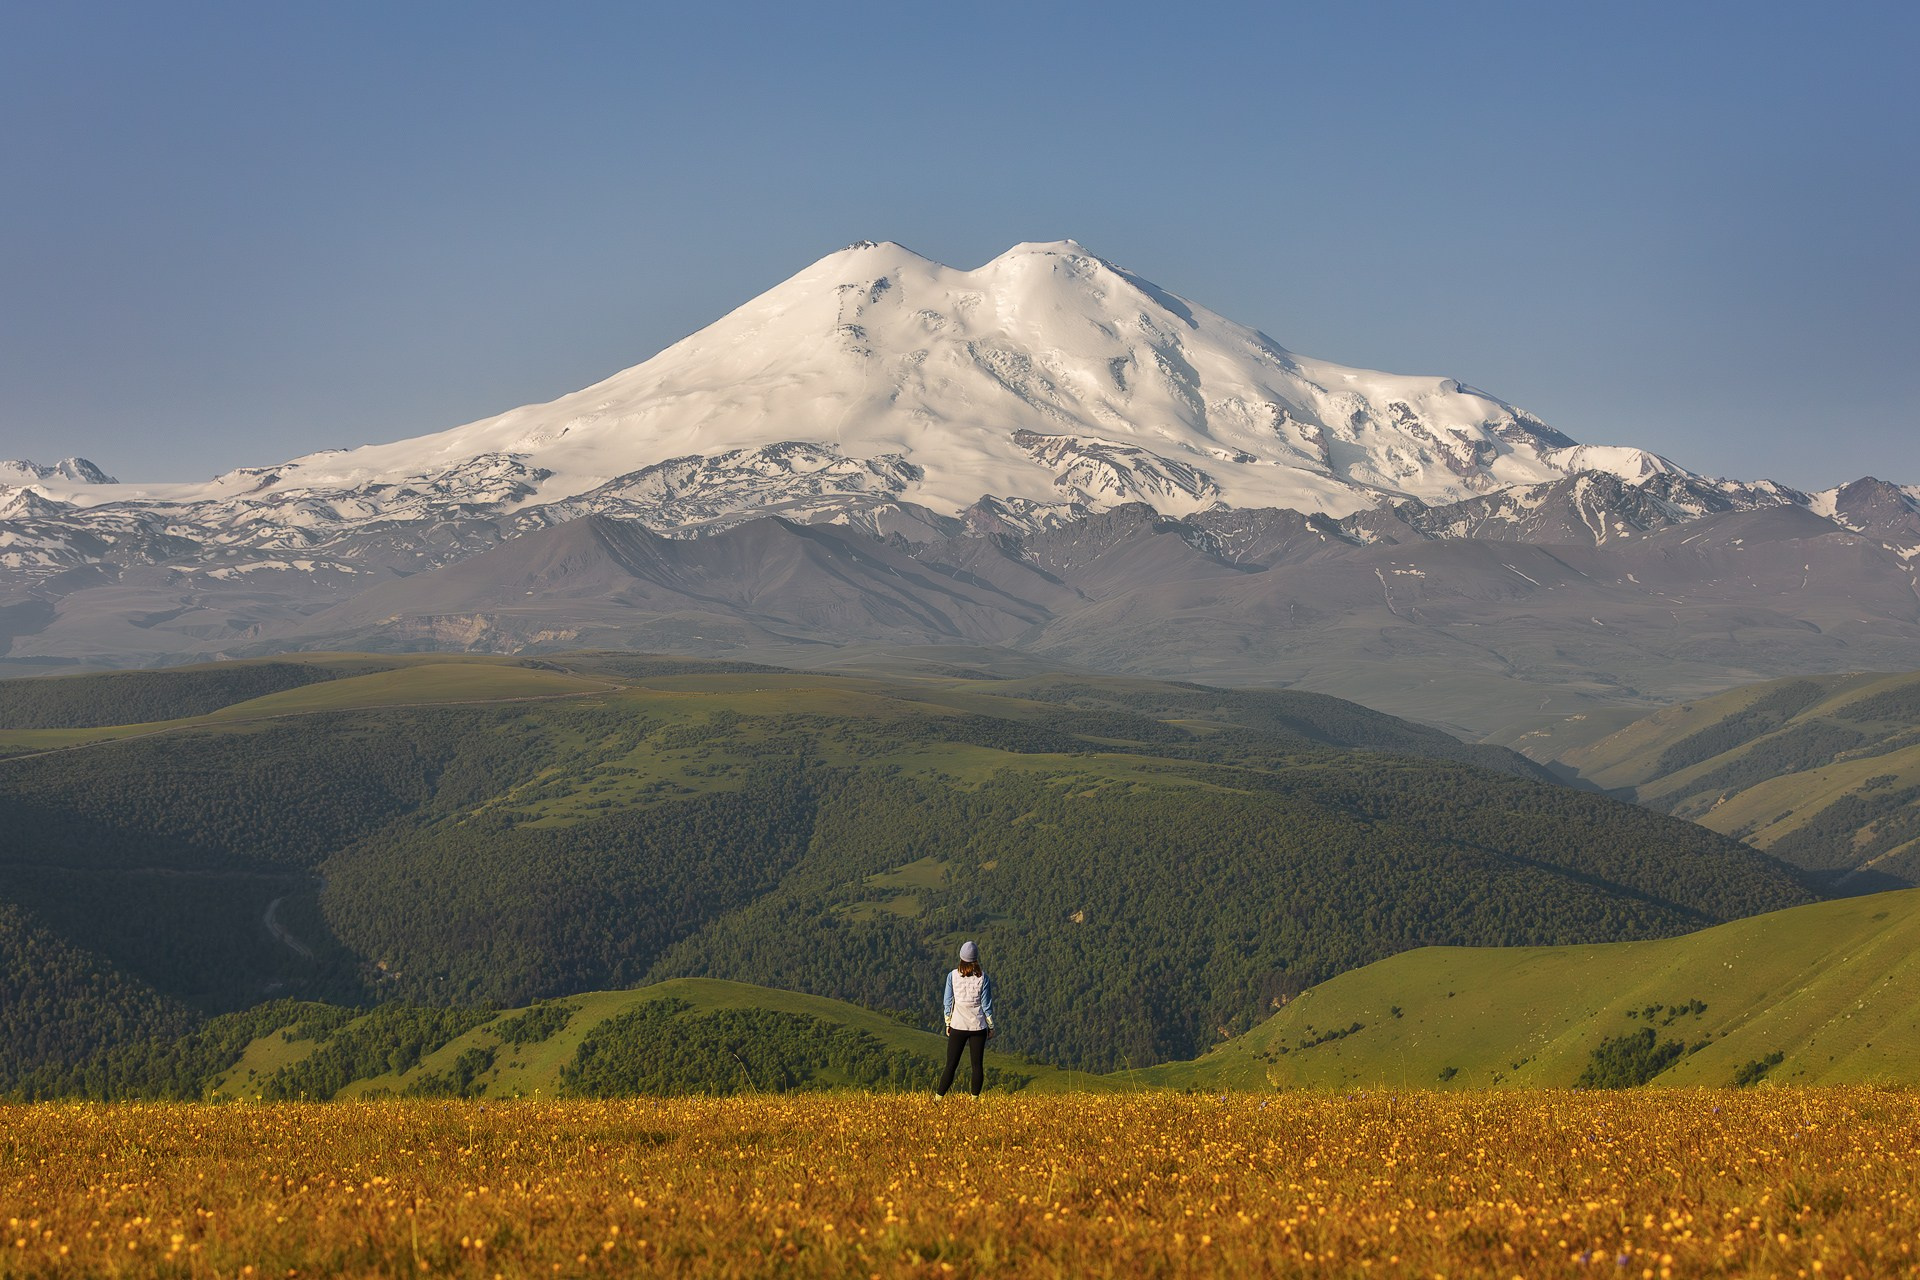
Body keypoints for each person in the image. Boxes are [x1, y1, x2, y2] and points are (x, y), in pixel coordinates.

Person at [936, 940, 996, 1097]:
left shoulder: (952, 976)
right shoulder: (983, 978)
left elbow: (948, 1002)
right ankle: (974, 1100)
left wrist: (948, 1023)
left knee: (951, 1065)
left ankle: (938, 1099)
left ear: (961, 957)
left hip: (958, 1025)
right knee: (977, 1066)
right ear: (976, 958)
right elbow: (986, 1005)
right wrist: (991, 1026)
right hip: (978, 1026)